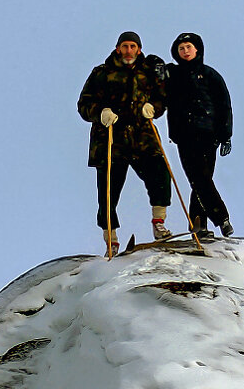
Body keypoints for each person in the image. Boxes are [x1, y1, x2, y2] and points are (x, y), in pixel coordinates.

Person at [77, 31, 172, 254]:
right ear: (118, 48)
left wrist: (154, 109)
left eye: (133, 46)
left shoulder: (148, 72)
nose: (129, 51)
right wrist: (100, 113)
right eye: (125, 46)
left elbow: (162, 96)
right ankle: (111, 239)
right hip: (111, 139)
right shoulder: (102, 73)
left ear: (139, 49)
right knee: (108, 192)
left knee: (160, 174)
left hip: (142, 137)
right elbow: (84, 103)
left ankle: (159, 224)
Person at [165, 32, 233, 239]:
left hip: (208, 134)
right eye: (181, 48)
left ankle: (200, 222)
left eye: (189, 47)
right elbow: (154, 78)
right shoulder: (173, 74)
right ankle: (219, 218)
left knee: (202, 178)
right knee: (198, 177)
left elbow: (224, 105)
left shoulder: (210, 75)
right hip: (184, 134)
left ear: (198, 50)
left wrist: (226, 135)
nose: (185, 51)